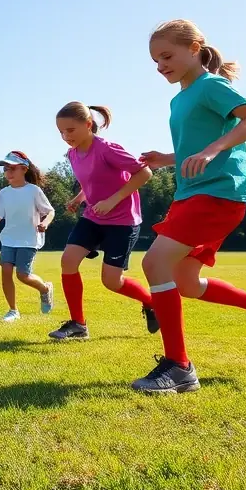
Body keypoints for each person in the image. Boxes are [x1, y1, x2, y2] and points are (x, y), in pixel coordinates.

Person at [134, 19, 246, 393]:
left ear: (194, 48)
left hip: (218, 194)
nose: (161, 66)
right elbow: (195, 148)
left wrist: (214, 149)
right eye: (155, 61)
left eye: (167, 56)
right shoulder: (179, 98)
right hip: (191, 195)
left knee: (154, 263)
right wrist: (167, 159)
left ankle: (179, 367)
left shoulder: (211, 85)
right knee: (186, 282)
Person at [49, 103, 157, 341]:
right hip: (93, 217)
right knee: (68, 261)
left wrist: (113, 200)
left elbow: (144, 173)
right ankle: (78, 324)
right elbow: (92, 182)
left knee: (111, 281)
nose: (66, 137)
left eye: (70, 130)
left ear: (88, 125)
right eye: (61, 132)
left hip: (123, 221)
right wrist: (78, 199)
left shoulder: (107, 149)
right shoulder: (72, 154)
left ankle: (151, 302)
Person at [0, 151, 55, 322]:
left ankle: (44, 289)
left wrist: (45, 223)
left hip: (28, 240)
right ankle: (13, 311)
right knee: (5, 271)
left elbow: (50, 211)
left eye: (12, 168)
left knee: (22, 275)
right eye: (6, 169)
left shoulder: (33, 191)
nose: (8, 173)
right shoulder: (4, 193)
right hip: (8, 239)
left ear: (24, 169)